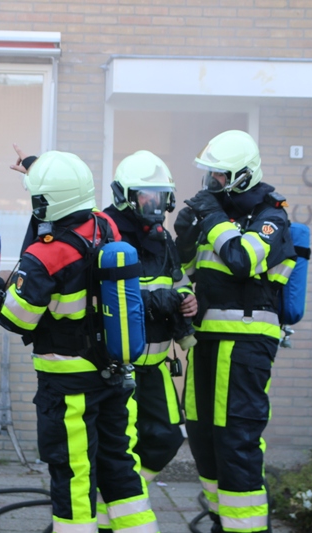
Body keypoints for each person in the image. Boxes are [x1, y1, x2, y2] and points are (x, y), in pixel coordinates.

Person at [0, 150, 160, 533]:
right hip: (112, 373)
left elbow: (16, 319)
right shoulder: (106, 226)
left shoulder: (46, 254)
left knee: (73, 475)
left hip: (67, 384)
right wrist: (38, 168)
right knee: (120, 466)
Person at [173, 130, 296, 533]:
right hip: (205, 341)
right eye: (211, 174)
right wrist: (186, 237)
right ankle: (221, 521)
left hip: (245, 345)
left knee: (236, 440)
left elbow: (241, 259)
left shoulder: (271, 217)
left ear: (243, 175)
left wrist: (211, 218)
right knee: (202, 437)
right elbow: (189, 271)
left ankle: (247, 528)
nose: (213, 182)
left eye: (220, 175)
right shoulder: (217, 215)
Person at [97, 150, 197, 529]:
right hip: (118, 368)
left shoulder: (162, 238)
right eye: (146, 197)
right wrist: (158, 300)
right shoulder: (106, 231)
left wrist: (186, 300)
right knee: (122, 447)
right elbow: (107, 296)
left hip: (155, 367)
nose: (154, 205)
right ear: (125, 196)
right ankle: (112, 516)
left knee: (166, 438)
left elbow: (177, 282)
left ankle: (114, 499)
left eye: (159, 197)